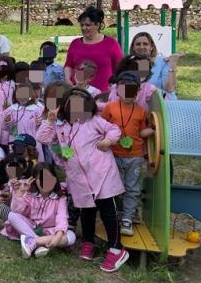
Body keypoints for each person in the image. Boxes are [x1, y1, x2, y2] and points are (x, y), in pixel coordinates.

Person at [37, 88, 129, 273]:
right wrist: (50, 120)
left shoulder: (93, 121)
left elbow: (114, 130)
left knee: (107, 212)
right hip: (78, 178)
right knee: (87, 211)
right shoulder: (60, 126)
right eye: (73, 105)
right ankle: (88, 242)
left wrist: (108, 141)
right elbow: (42, 137)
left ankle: (116, 248)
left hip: (102, 174)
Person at [100, 71, 155, 237]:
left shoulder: (140, 111)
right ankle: (117, 214)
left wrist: (153, 130)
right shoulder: (110, 107)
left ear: (137, 91)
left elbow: (142, 131)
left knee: (132, 188)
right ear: (118, 90)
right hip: (113, 155)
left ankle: (127, 219)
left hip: (135, 156)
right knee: (115, 187)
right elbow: (101, 127)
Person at [0, 163, 76, 259]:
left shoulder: (60, 199)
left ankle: (33, 242)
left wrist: (58, 236)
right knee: (11, 215)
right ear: (35, 181)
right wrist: (21, 192)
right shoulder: (30, 195)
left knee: (71, 236)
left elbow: (62, 218)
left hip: (50, 231)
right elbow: (17, 210)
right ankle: (38, 243)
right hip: (31, 227)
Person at [64, 6, 123, 93]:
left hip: (104, 95)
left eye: (88, 25)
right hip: (78, 92)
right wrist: (67, 80)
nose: (84, 28)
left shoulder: (111, 43)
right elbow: (68, 65)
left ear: (97, 25)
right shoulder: (75, 43)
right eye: (82, 25)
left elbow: (120, 68)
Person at [130, 32, 181, 100]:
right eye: (138, 44)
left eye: (145, 44)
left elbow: (169, 88)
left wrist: (172, 65)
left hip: (163, 104)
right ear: (133, 47)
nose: (141, 47)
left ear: (151, 47)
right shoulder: (128, 64)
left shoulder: (162, 61)